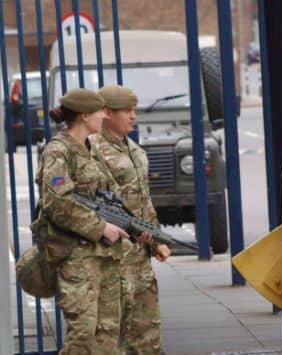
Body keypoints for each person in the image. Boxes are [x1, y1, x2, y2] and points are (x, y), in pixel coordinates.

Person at [35, 88, 129, 354]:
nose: (104, 116)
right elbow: (58, 203)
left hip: (105, 256)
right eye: (100, 111)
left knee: (107, 335)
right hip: (77, 258)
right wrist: (100, 227)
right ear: (85, 115)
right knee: (83, 336)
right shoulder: (58, 151)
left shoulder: (91, 149)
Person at [90, 85, 171, 354]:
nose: (133, 116)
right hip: (111, 260)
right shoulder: (92, 151)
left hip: (140, 258)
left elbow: (144, 201)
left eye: (134, 110)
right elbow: (89, 204)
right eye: (127, 111)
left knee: (148, 335)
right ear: (107, 113)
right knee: (111, 337)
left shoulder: (135, 151)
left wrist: (156, 240)